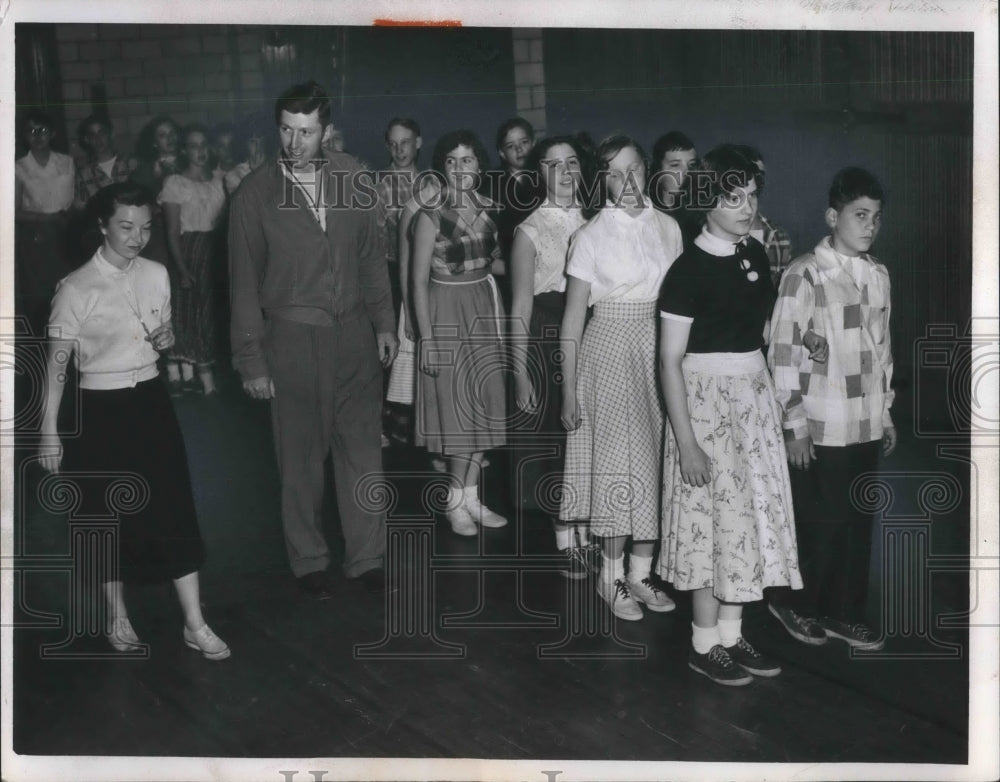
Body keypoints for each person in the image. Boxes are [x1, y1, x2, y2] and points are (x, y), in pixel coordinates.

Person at [39, 182, 229, 660]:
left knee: (173, 508)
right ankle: (116, 616)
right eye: (126, 226)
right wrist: (48, 431)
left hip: (149, 402)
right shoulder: (75, 288)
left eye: (145, 227)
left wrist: (167, 338)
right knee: (105, 516)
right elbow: (57, 367)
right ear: (101, 226)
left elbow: (161, 339)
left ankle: (195, 622)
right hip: (98, 412)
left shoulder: (157, 273)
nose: (138, 236)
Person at [228, 80, 397, 599]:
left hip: (355, 336)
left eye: (306, 132)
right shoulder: (254, 193)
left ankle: (367, 557)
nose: (294, 142)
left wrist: (385, 322)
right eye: (285, 130)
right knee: (301, 457)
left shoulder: (354, 177)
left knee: (363, 450)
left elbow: (371, 256)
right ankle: (309, 560)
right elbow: (242, 285)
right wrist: (251, 361)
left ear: (326, 131)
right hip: (292, 337)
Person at [657, 144, 802, 686]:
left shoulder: (755, 256)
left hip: (752, 401)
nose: (747, 206)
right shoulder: (687, 270)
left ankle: (733, 634)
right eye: (733, 197)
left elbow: (758, 333)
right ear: (705, 201)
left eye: (752, 195)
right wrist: (687, 442)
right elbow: (670, 360)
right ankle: (703, 642)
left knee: (747, 520)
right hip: (704, 407)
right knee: (707, 524)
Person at [767, 167, 895, 652]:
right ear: (832, 216)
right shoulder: (804, 274)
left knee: (856, 523)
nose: (869, 226)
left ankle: (844, 611)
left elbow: (882, 352)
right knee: (820, 521)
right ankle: (793, 602)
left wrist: (884, 413)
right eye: (860, 215)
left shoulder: (878, 275)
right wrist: (793, 425)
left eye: (876, 217)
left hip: (862, 422)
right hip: (820, 425)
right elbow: (781, 354)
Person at [559, 135, 682, 619]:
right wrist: (569, 389)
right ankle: (610, 578)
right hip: (607, 347)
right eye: (613, 173)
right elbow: (572, 318)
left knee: (655, 458)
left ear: (646, 170)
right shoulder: (588, 236)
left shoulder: (670, 227)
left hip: (658, 347)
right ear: (601, 180)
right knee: (616, 464)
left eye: (633, 169)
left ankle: (639, 572)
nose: (626, 182)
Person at [412, 130, 508, 536]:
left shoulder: (493, 209)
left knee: (481, 403)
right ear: (441, 167)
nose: (459, 168)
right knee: (456, 410)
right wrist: (427, 339)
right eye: (450, 161)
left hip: (483, 308)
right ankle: (454, 501)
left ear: (480, 165)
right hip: (445, 310)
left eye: (467, 160)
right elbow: (417, 282)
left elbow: (497, 263)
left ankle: (471, 496)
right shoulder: (429, 216)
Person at [509, 134, 593, 577]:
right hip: (548, 336)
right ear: (540, 172)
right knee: (558, 440)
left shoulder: (597, 220)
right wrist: (521, 373)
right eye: (554, 164)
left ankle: (588, 527)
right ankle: (565, 538)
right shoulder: (529, 230)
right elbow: (521, 305)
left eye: (572, 162)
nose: (565, 173)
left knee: (587, 438)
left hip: (591, 332)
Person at [159, 124, 227, 396]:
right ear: (185, 151)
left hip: (216, 251)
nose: (200, 151)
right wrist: (182, 269)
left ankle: (207, 372)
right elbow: (172, 231)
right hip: (189, 252)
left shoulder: (220, 178)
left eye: (204, 145)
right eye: (193, 146)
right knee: (192, 313)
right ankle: (203, 378)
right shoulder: (175, 183)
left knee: (212, 314)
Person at [378, 117, 425, 445]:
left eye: (405, 142)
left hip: (424, 278)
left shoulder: (430, 184)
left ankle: (426, 425)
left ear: (418, 143)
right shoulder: (377, 187)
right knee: (390, 347)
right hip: (390, 277)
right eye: (393, 144)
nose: (399, 150)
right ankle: (386, 421)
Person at [14, 110, 76, 337]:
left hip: (66, 231)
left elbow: (74, 198)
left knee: (68, 287)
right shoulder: (18, 167)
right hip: (36, 235)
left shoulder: (67, 162)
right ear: (24, 136)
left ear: (53, 133)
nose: (38, 135)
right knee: (40, 294)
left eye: (43, 130)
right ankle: (42, 344)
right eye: (31, 131)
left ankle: (71, 340)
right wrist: (46, 219)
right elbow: (12, 212)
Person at [731, 144, 794, 288]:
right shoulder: (712, 235)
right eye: (750, 172)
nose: (756, 180)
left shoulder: (777, 237)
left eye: (760, 175)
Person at [492, 117, 537, 305]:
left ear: (534, 143)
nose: (519, 150)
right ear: (502, 153)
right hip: (510, 280)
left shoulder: (547, 180)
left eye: (524, 142)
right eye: (511, 146)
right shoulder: (493, 188)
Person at [74, 114, 138, 207]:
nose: (98, 139)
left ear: (111, 134)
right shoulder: (83, 175)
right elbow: (83, 209)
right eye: (92, 135)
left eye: (102, 133)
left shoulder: (131, 163)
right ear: (86, 140)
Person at [649, 130, 700, 246]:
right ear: (658, 170)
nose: (686, 172)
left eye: (692, 165)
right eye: (675, 165)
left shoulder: (703, 217)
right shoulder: (644, 215)